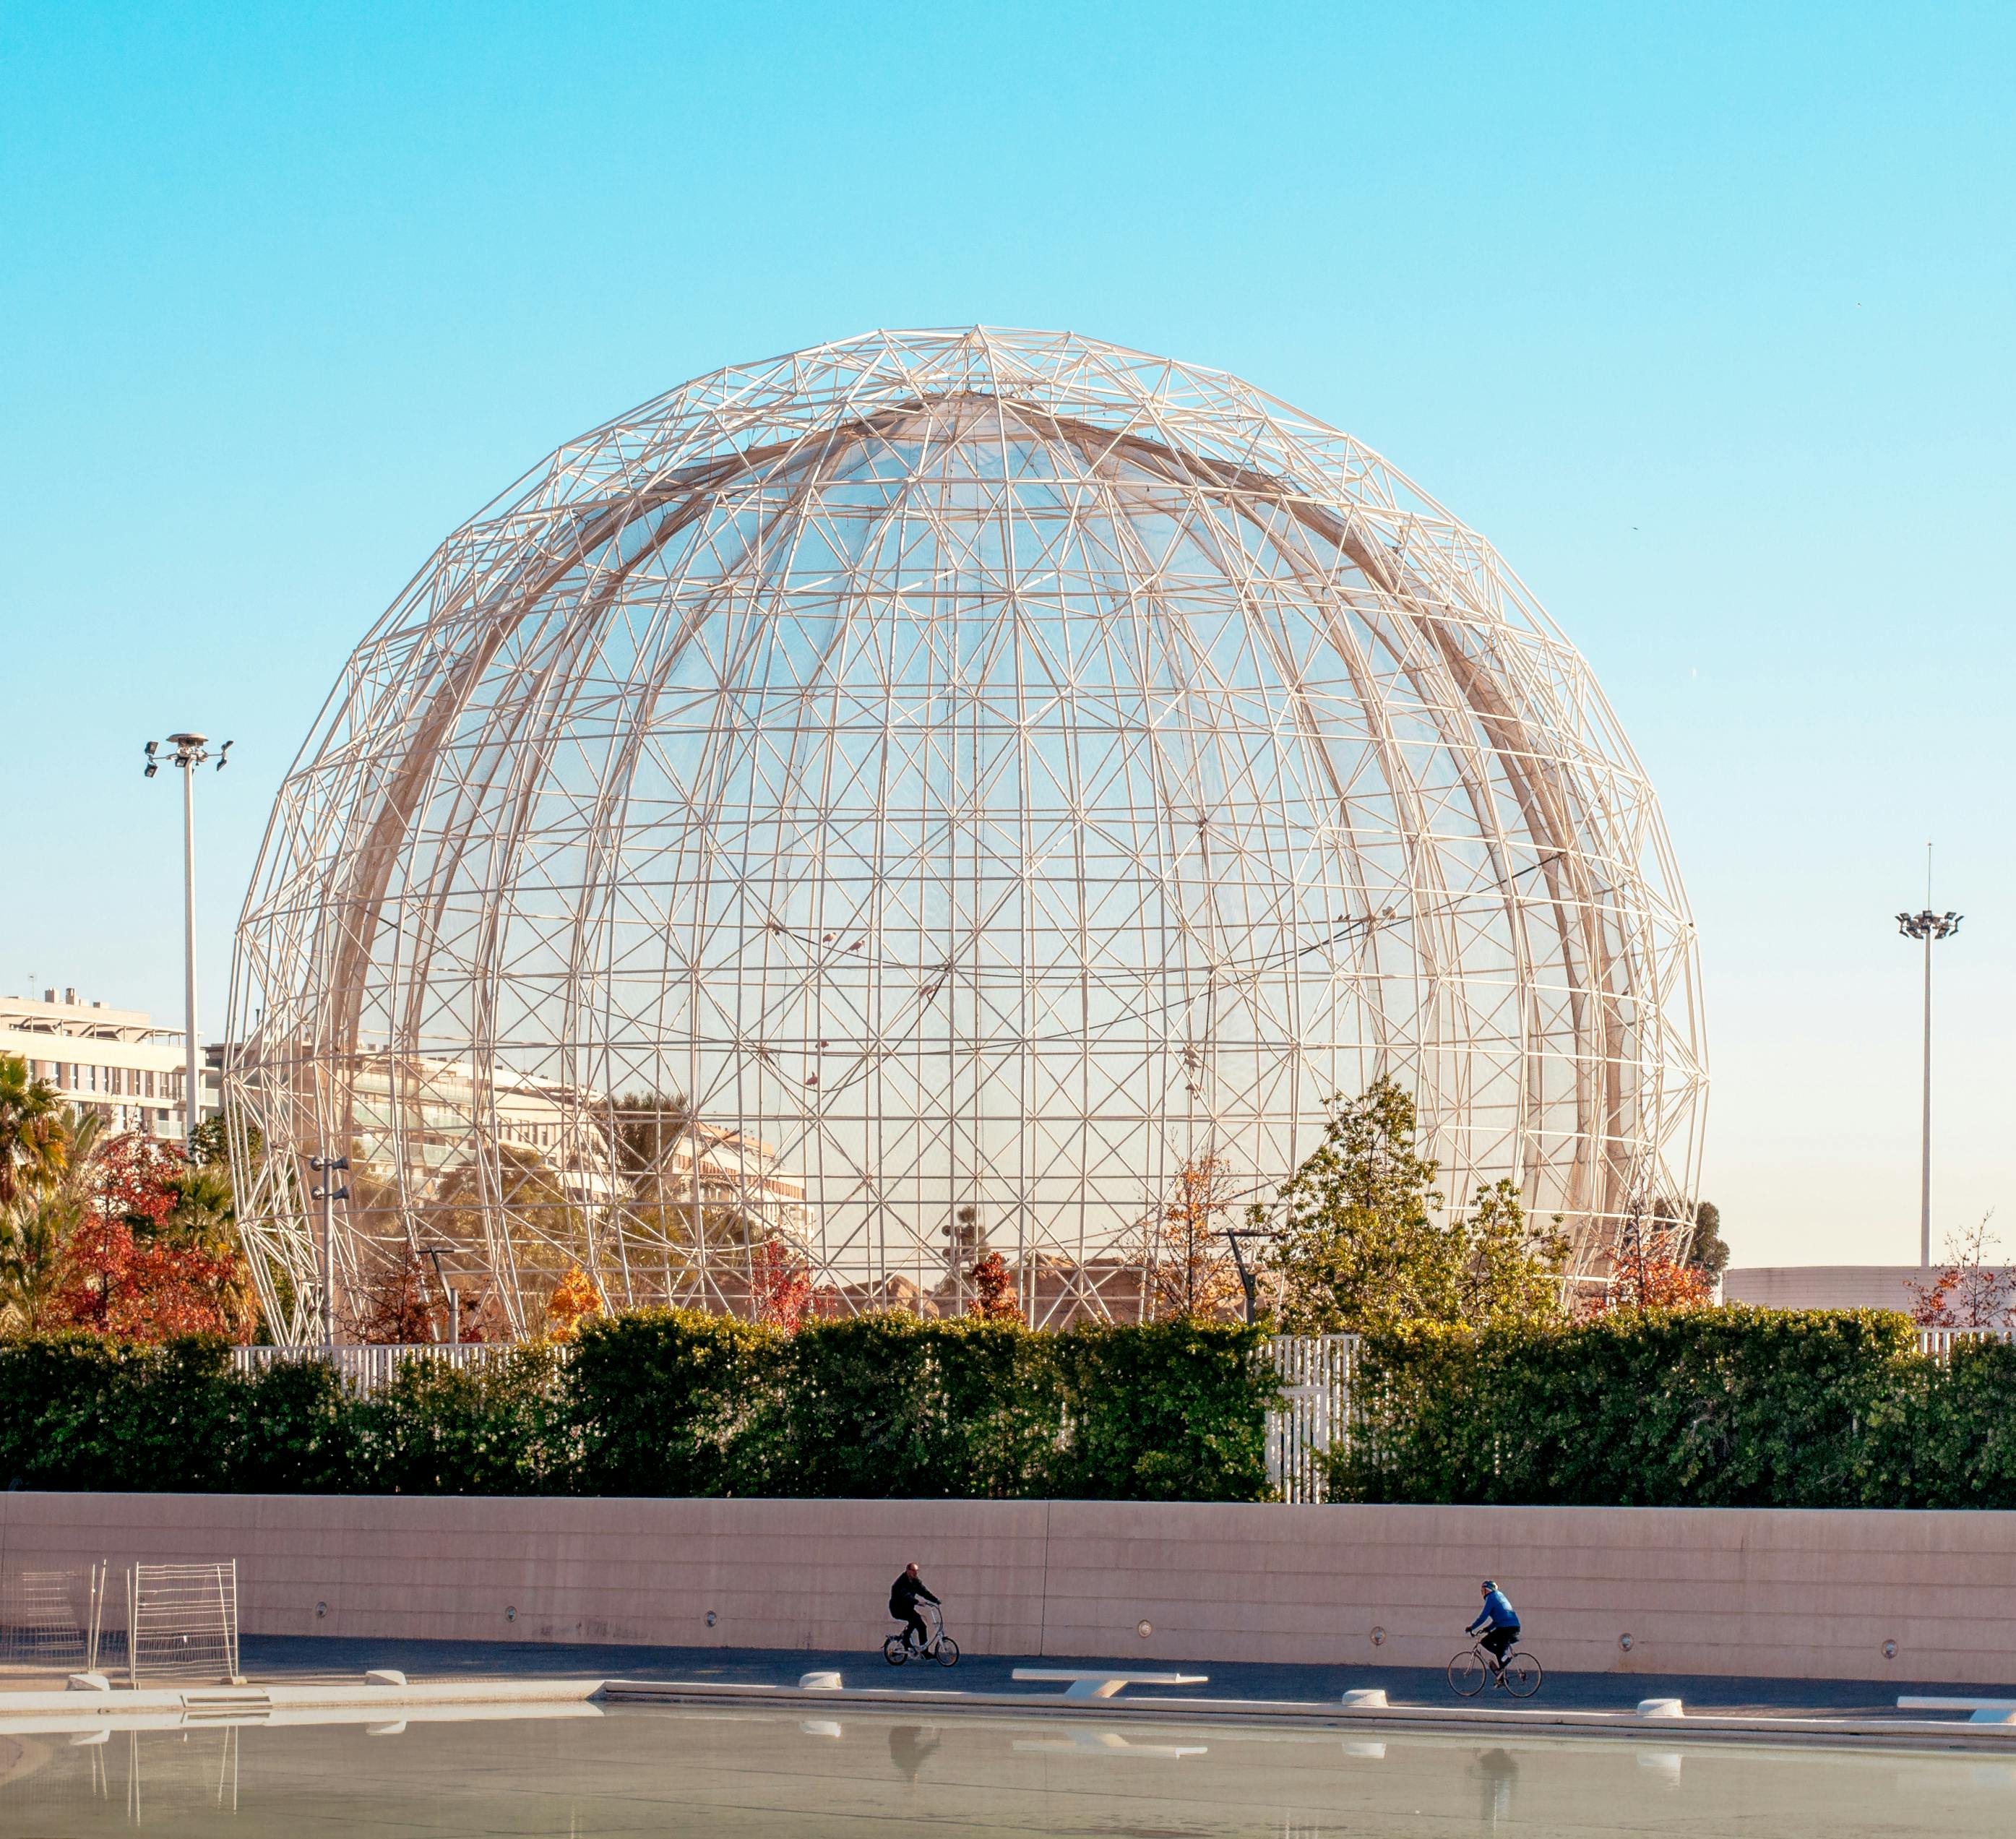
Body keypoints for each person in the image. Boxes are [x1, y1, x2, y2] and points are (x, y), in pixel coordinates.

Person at [1468, 1580, 1520, 1671]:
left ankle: (1504, 1658)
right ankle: (1502, 1676)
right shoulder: (1499, 1596)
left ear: (1487, 1590)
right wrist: (1488, 1628)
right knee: (1500, 1651)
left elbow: (1483, 1617)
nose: (1482, 1593)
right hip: (1514, 1627)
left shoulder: (1491, 1597)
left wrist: (1472, 1627)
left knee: (1485, 1642)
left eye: (1482, 1591)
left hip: (1506, 1628)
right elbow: (1499, 1619)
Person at [889, 1562, 939, 1652]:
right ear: (908, 1571)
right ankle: (910, 1641)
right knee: (918, 1622)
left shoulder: (915, 1582)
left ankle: (921, 1649)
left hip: (907, 1609)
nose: (915, 1573)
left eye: (916, 1571)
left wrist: (935, 1600)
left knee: (920, 1625)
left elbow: (924, 1592)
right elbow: (905, 1595)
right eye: (913, 1571)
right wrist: (917, 1602)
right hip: (897, 1609)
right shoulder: (900, 1582)